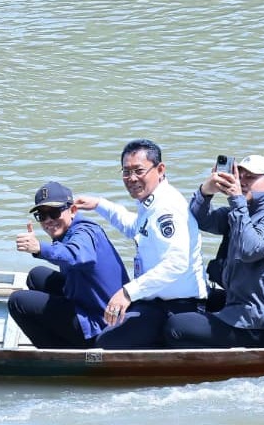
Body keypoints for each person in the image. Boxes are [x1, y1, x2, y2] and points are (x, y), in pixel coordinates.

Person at [73, 139, 206, 348]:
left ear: (160, 169)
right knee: (107, 332)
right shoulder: (151, 200)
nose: (132, 178)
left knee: (107, 343)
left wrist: (127, 293)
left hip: (178, 308)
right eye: (126, 172)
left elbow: (176, 263)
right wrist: (99, 204)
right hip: (153, 301)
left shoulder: (167, 208)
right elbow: (135, 227)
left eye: (139, 171)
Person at [167, 155, 264, 348]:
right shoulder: (241, 211)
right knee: (183, 300)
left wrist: (237, 199)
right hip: (234, 304)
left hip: (256, 324)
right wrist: (206, 191)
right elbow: (200, 219)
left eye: (251, 177)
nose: (242, 182)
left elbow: (250, 249)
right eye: (240, 176)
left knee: (176, 326)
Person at [8, 181, 128, 348]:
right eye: (42, 216)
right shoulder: (68, 231)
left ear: (73, 210)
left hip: (101, 324)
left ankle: (57, 354)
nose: (48, 221)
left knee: (17, 301)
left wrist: (39, 248)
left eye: (54, 213)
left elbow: (75, 254)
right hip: (91, 304)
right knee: (36, 275)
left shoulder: (84, 233)